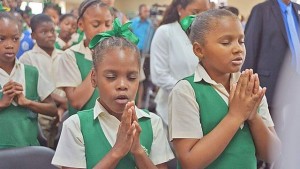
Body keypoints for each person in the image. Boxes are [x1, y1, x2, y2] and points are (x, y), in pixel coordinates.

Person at [52, 18, 174, 169]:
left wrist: (138, 152)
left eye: (131, 77)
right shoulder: (75, 125)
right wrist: (117, 151)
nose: (122, 85)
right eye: (111, 77)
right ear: (94, 78)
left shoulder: (153, 122)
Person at [168, 9, 281, 169]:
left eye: (241, 41)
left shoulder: (250, 88)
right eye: (226, 42)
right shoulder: (186, 91)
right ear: (199, 50)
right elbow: (190, 162)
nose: (238, 49)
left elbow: (272, 154)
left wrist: (253, 116)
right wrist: (235, 116)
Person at [0, 11, 57, 149]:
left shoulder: (31, 72)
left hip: (27, 152)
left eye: (15, 39)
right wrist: (2, 103)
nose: (9, 45)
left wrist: (27, 102)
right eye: (1, 39)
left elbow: (52, 109)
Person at [150, 0, 210, 125]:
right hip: (172, 106)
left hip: (203, 107)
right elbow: (159, 75)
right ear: (180, 9)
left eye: (205, 13)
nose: (201, 18)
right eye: (195, 12)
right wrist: (192, 92)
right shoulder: (165, 32)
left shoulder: (206, 36)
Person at [55, 0, 113, 116]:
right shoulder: (70, 56)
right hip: (83, 127)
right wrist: (101, 59)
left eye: (108, 24)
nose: (103, 30)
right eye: (96, 25)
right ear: (81, 25)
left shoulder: (118, 53)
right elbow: (76, 102)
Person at [242, 0, 300, 111]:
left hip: (296, 82)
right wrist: (246, 82)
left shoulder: (297, 9)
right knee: (271, 124)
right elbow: (251, 47)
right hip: (271, 83)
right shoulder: (261, 10)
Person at [20, 14, 67, 148]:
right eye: (44, 32)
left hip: (65, 109)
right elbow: (37, 88)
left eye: (52, 31)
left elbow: (69, 85)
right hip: (41, 111)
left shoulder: (64, 56)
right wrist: (61, 101)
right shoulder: (27, 58)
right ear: (33, 35)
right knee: (43, 149)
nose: (50, 35)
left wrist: (63, 107)